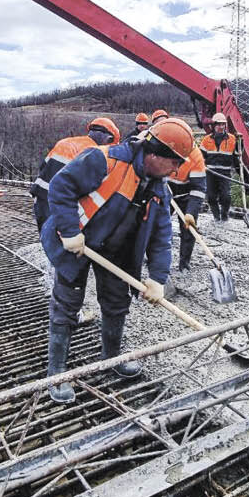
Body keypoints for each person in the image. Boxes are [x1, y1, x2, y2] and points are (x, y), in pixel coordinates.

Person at [40, 117, 195, 403]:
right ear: (154, 154)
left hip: (115, 251)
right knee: (66, 304)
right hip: (77, 243)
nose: (177, 169)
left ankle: (111, 360)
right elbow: (61, 186)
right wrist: (70, 230)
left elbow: (161, 237)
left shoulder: (160, 188)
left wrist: (158, 278)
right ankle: (57, 372)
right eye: (174, 162)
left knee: (116, 303)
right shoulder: (105, 161)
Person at [29, 117, 121, 231]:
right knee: (61, 243)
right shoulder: (94, 152)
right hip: (60, 202)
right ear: (108, 139)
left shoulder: (66, 142)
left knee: (46, 238)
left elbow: (43, 168)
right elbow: (85, 187)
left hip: (40, 197)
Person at [167, 145, 207, 271]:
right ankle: (153, 260)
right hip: (164, 190)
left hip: (186, 195)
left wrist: (190, 212)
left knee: (188, 229)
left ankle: (184, 264)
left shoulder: (195, 157)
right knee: (156, 226)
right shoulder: (164, 147)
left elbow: (198, 190)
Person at [200, 112, 238, 222]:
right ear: (213, 125)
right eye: (219, 124)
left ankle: (224, 216)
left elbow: (237, 156)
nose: (221, 127)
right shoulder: (206, 140)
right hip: (210, 172)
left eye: (223, 124)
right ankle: (216, 217)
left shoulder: (232, 139)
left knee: (226, 196)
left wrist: (241, 143)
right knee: (211, 197)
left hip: (225, 172)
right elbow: (201, 156)